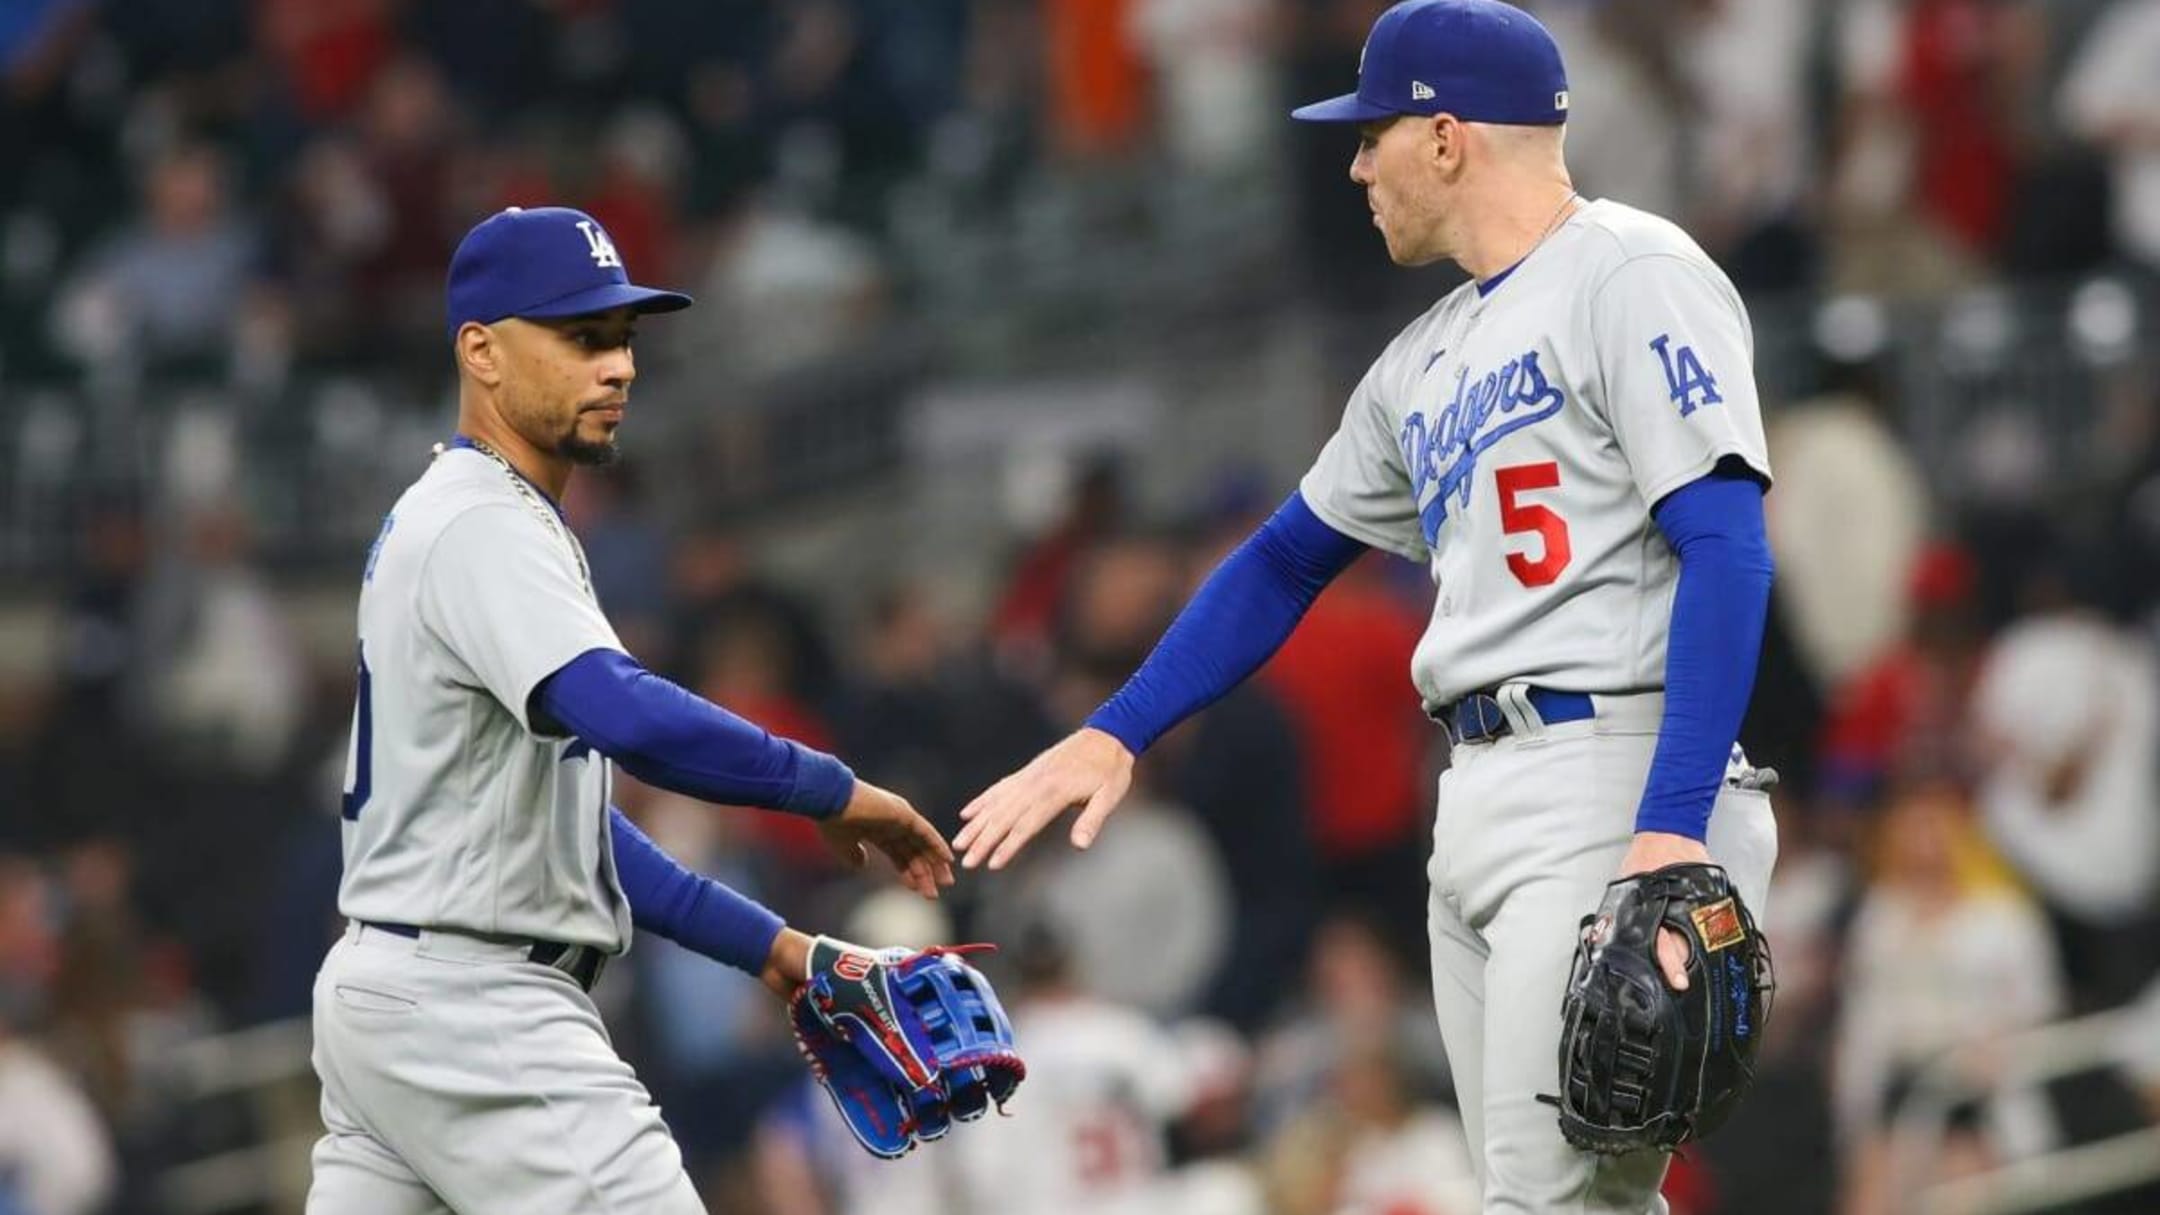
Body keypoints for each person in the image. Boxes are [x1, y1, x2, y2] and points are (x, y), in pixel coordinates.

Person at [954, 2, 1780, 1210]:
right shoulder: (1422, 360)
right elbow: (1282, 561)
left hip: (1615, 767)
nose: (1354, 164)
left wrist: (1670, 826)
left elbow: (1726, 546)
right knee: (1570, 1197)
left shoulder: (1631, 269)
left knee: (1551, 1202)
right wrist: (1115, 729)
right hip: (1484, 792)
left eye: (1373, 134)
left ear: (1446, 138)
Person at [307, 205, 956, 1214]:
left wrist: (774, 948)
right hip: (478, 1010)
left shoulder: (478, 518)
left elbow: (567, 835)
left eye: (621, 339)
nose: (617, 367)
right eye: (580, 338)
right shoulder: (483, 525)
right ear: (480, 351)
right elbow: (634, 720)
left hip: (399, 997)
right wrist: (830, 789)